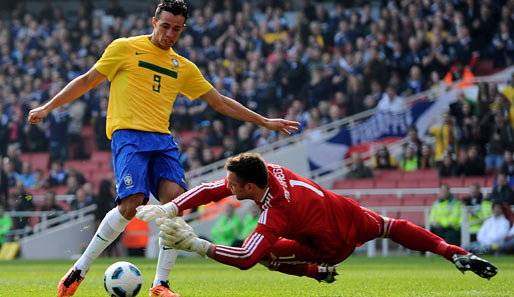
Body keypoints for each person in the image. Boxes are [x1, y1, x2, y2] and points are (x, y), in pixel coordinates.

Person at [27, 1, 299, 297]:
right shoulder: (124, 48)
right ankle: (80, 269)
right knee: (131, 205)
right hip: (129, 136)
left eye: (177, 29)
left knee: (175, 204)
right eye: (166, 26)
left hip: (162, 141)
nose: (170, 34)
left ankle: (160, 285)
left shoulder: (183, 67)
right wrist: (48, 106)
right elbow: (88, 80)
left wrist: (264, 121)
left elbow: (219, 101)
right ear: (153, 22)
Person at [136, 153, 497, 285]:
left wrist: (196, 245)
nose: (226, 187)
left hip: (331, 246)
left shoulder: (277, 211)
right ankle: (458, 255)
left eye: (233, 185)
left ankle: (316, 270)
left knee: (266, 253)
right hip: (350, 212)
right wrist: (171, 208)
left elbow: (247, 258)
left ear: (249, 186)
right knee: (391, 227)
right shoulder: (269, 171)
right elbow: (211, 189)